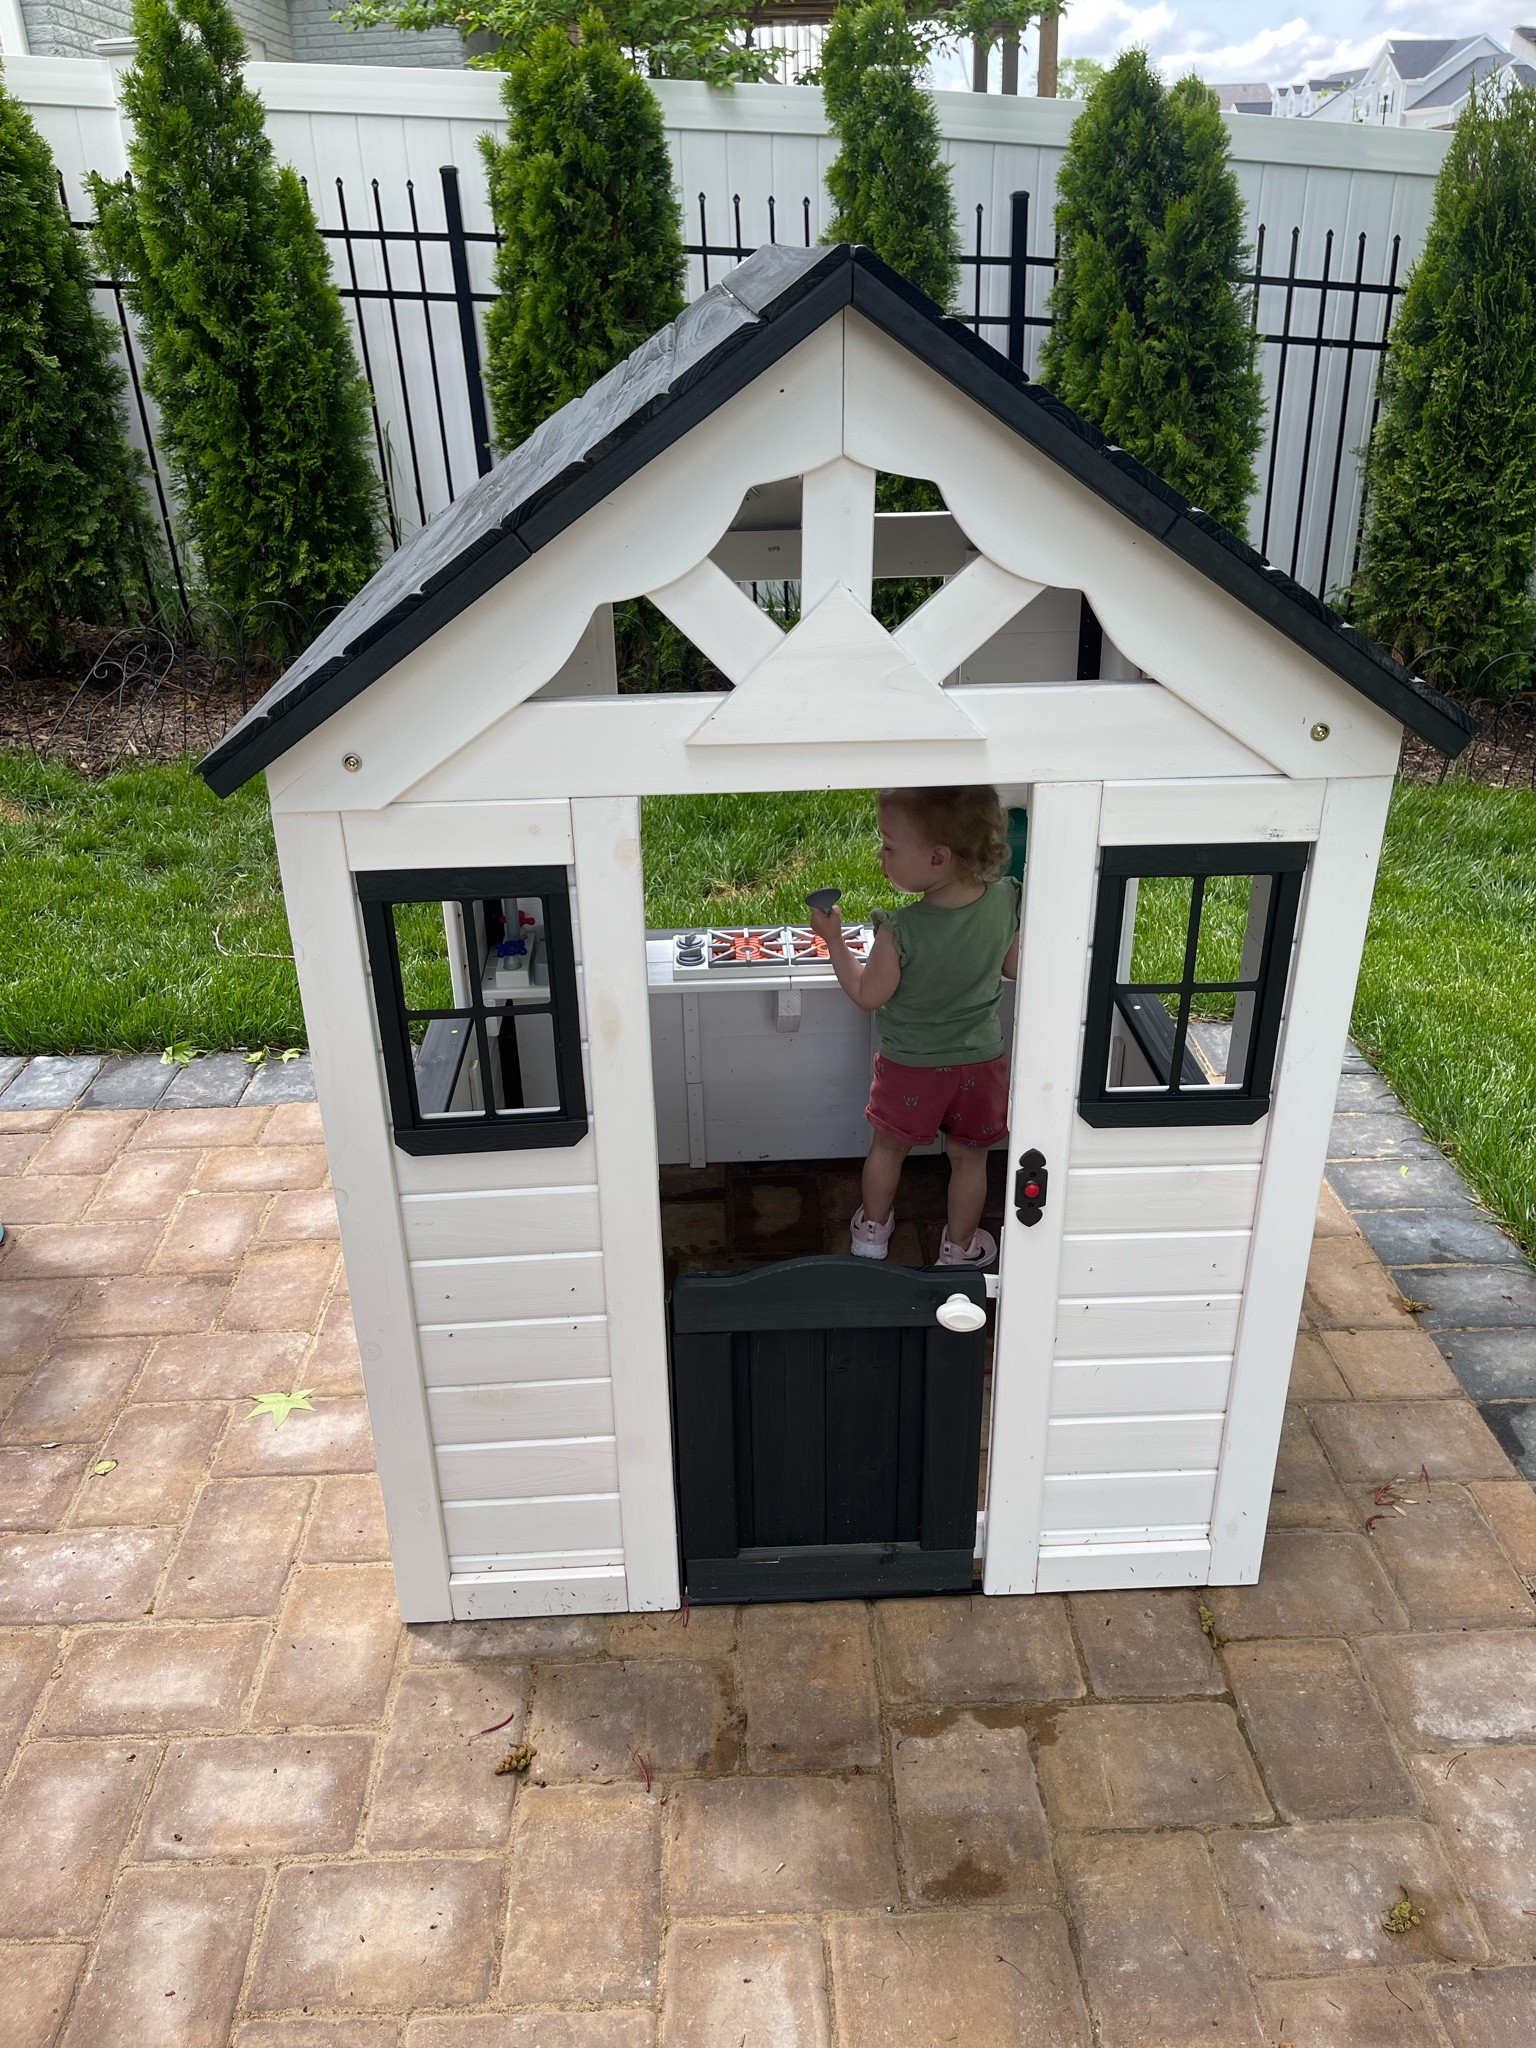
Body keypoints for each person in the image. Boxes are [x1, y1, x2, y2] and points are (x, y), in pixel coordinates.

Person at [808, 785, 1021, 1268]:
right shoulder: (1007, 901)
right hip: (980, 1066)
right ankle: (959, 1248)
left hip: (912, 1068)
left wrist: (835, 941)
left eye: (889, 845)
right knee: (970, 1159)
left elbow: (867, 994)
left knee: (888, 1149)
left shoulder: (899, 930)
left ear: (938, 858)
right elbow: (1012, 967)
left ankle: (871, 1236)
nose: (880, 855)